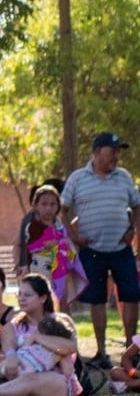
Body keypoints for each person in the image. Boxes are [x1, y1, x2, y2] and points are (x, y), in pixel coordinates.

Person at [61, 131, 140, 367]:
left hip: (120, 249)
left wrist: (132, 231)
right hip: (92, 251)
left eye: (118, 151)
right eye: (112, 150)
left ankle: (131, 348)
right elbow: (63, 210)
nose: (116, 156)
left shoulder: (124, 177)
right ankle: (101, 352)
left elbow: (137, 206)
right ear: (97, 152)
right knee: (97, 300)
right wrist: (74, 236)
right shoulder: (77, 178)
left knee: (132, 296)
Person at [0, 274, 80, 395]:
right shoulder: (12, 326)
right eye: (19, 294)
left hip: (56, 383)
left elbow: (70, 347)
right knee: (5, 374)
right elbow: (9, 350)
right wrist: (11, 357)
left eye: (28, 295)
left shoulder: (60, 322)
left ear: (43, 298)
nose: (21, 299)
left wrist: (37, 337)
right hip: (19, 379)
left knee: (30, 379)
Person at [17, 185, 87, 308]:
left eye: (52, 204)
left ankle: (61, 326)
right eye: (44, 204)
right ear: (36, 206)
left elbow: (67, 245)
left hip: (60, 271)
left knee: (62, 305)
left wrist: (61, 245)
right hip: (40, 271)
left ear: (58, 206)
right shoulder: (33, 226)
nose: (48, 208)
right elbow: (27, 247)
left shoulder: (60, 226)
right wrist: (43, 247)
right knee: (41, 305)